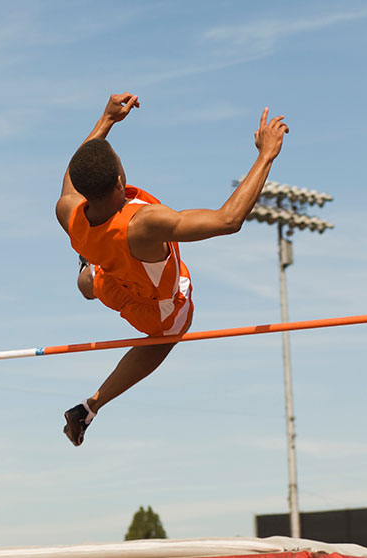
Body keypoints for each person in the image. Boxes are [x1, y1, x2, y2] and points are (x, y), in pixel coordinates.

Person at [55, 92, 288, 446]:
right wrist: (266, 155)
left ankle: (88, 275)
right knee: (175, 328)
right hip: (156, 308)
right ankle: (93, 405)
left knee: (96, 277)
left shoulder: (67, 211)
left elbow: (76, 169)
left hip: (112, 280)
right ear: (120, 182)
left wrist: (106, 120)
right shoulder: (144, 223)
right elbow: (228, 220)